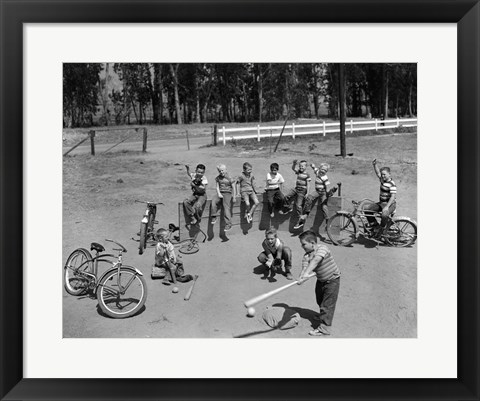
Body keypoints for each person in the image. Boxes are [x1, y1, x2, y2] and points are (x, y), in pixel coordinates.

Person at [297, 230, 340, 336]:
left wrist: (307, 273)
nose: (302, 247)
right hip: (321, 280)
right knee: (320, 300)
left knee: (327, 305)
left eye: (304, 244)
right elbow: (304, 269)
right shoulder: (306, 256)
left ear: (312, 243)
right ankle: (323, 315)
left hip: (332, 280)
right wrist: (301, 278)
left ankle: (324, 328)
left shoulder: (322, 248)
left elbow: (316, 260)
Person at [363, 159, 397, 237]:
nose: (382, 176)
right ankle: (375, 226)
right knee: (367, 208)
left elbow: (392, 197)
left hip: (390, 205)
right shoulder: (382, 180)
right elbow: (378, 173)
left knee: (384, 215)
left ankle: (382, 229)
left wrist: (387, 207)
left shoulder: (392, 184)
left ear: (389, 174)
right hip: (381, 204)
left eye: (384, 174)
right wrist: (375, 165)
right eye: (382, 174)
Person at [294, 162, 331, 230]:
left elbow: (327, 186)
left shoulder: (325, 177)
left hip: (323, 192)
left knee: (324, 206)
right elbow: (315, 168)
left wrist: (328, 191)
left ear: (326, 172)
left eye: (325, 170)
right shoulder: (317, 172)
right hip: (317, 191)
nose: (323, 171)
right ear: (319, 169)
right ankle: (306, 213)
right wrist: (312, 165)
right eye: (322, 169)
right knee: (309, 198)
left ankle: (328, 221)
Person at [210, 164, 236, 231]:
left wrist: (234, 197)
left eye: (222, 170)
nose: (221, 172)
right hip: (220, 193)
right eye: (220, 171)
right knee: (213, 201)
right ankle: (214, 216)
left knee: (226, 207)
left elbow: (234, 187)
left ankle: (228, 224)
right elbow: (217, 187)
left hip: (227, 193)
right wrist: (219, 194)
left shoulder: (230, 178)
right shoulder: (218, 178)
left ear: (226, 170)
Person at [183, 164, 208, 229]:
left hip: (202, 195)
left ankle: (198, 218)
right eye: (198, 172)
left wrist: (194, 185)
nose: (200, 174)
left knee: (198, 205)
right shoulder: (194, 175)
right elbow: (189, 174)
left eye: (202, 172)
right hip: (195, 194)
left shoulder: (204, 178)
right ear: (196, 171)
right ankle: (192, 217)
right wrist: (187, 168)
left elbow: (203, 188)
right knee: (186, 202)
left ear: (204, 172)